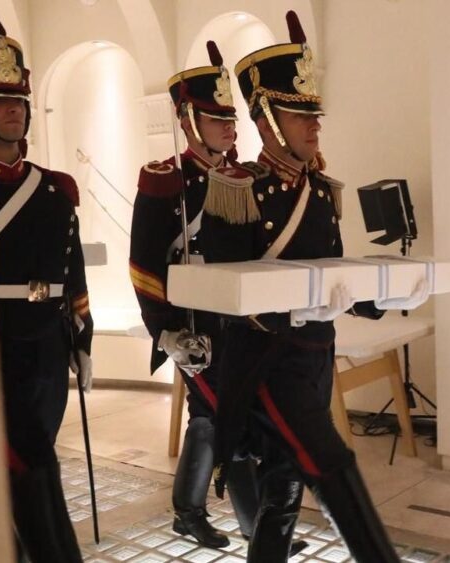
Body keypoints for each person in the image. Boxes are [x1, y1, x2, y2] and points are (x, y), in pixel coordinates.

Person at [200, 11, 428, 562]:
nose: (314, 125)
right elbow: (226, 299)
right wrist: (298, 310)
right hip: (267, 364)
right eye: (300, 114)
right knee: (332, 464)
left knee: (283, 490)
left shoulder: (323, 191)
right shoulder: (236, 190)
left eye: (314, 114)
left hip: (315, 359)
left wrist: (385, 296)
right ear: (267, 120)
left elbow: (335, 275)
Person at [128, 41, 307, 555]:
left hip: (237, 320)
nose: (229, 128)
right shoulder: (165, 181)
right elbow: (144, 265)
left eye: (230, 118)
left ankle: (190, 513)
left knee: (211, 417)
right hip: (192, 325)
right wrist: (165, 331)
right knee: (226, 416)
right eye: (216, 118)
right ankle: (253, 527)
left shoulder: (245, 178)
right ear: (189, 120)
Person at [0, 13, 92, 562]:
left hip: (46, 344)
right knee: (28, 469)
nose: (14, 109)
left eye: (19, 99)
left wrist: (81, 336)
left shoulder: (53, 190)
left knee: (32, 461)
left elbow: (72, 270)